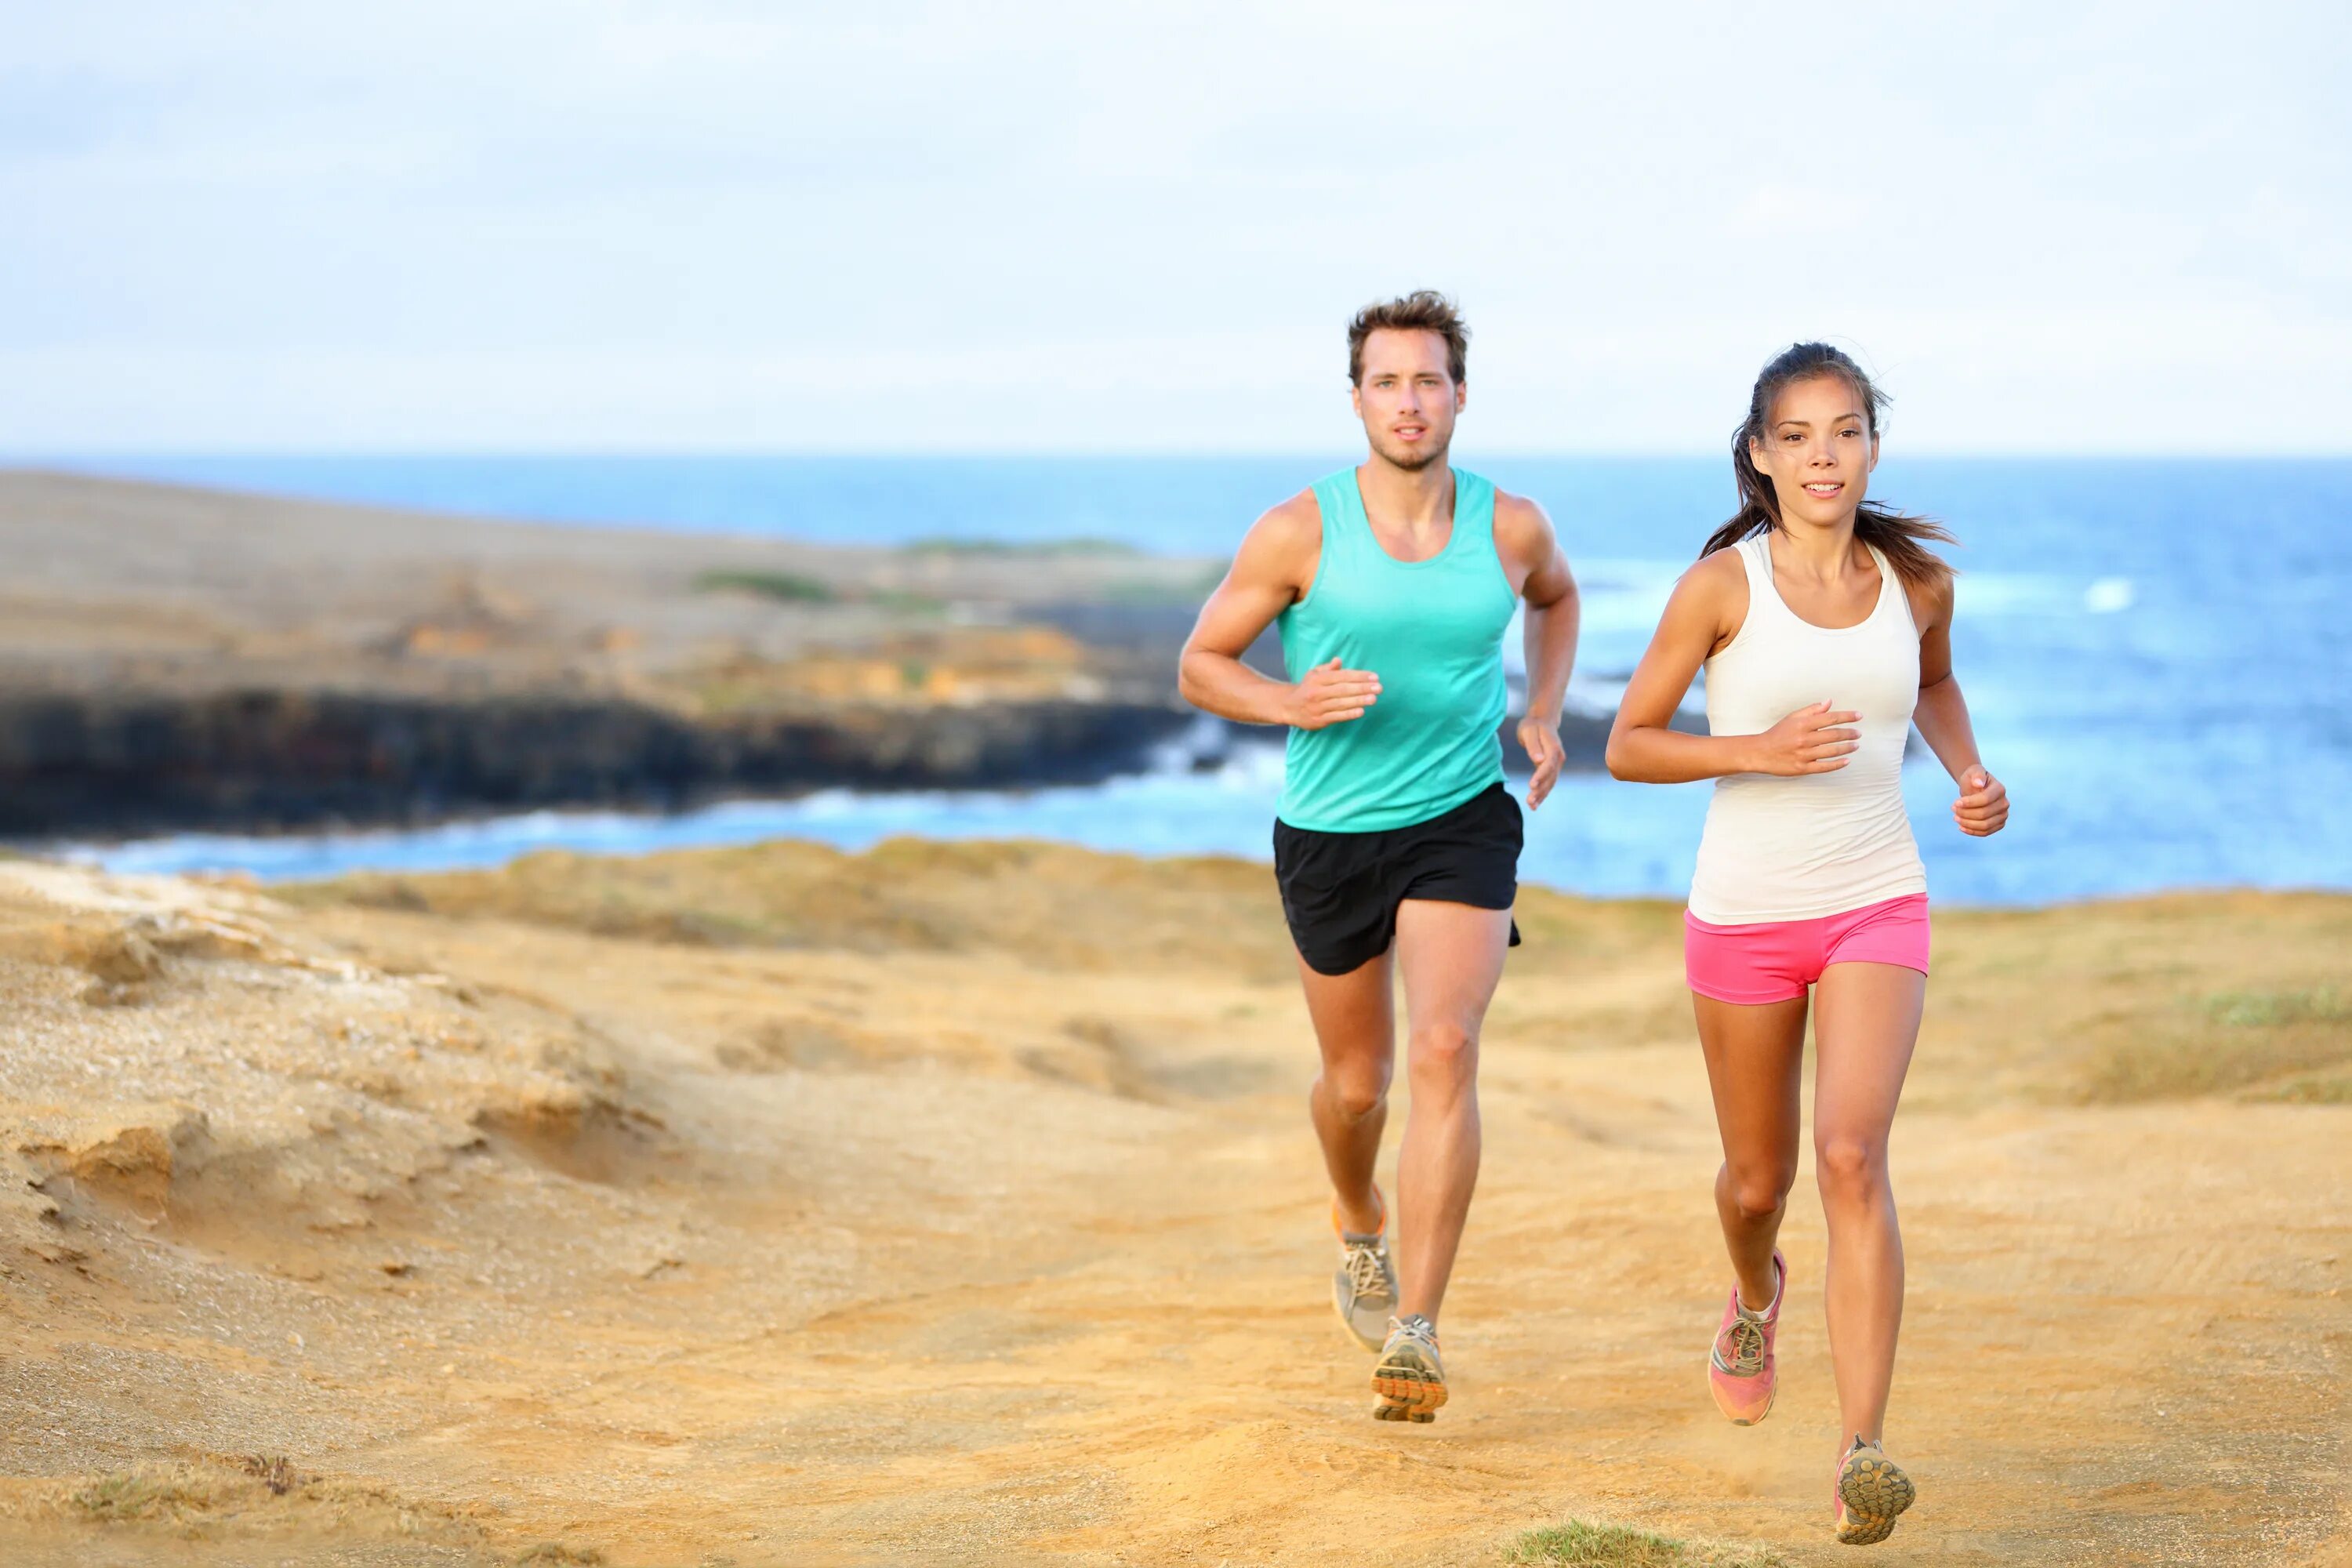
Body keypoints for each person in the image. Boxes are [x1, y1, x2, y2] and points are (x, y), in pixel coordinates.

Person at [1605, 343, 2008, 1544]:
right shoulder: (1722, 587)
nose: (1824, 454)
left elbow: (1933, 684)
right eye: (1799, 434)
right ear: (1760, 455)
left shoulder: (1917, 580)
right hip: (1744, 910)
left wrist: (1970, 772)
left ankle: (1861, 1451)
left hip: (1878, 895)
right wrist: (1753, 751)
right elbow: (1630, 741)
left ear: (1872, 446)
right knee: (1757, 1182)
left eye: (1846, 431)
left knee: (1849, 1156)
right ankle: (1751, 1292)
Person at [1178, 291, 1579, 1422]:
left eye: (1429, 380)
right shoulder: (1300, 529)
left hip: (1460, 817)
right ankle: (1359, 1223)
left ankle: (1418, 1330)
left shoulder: (1511, 527)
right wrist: (1288, 700)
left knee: (1447, 1047)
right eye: (1387, 381)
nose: (1410, 401)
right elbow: (1202, 664)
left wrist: (1542, 707)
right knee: (1359, 1086)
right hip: (1331, 835)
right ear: (1357, 397)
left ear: (1460, 393)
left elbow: (1556, 598)